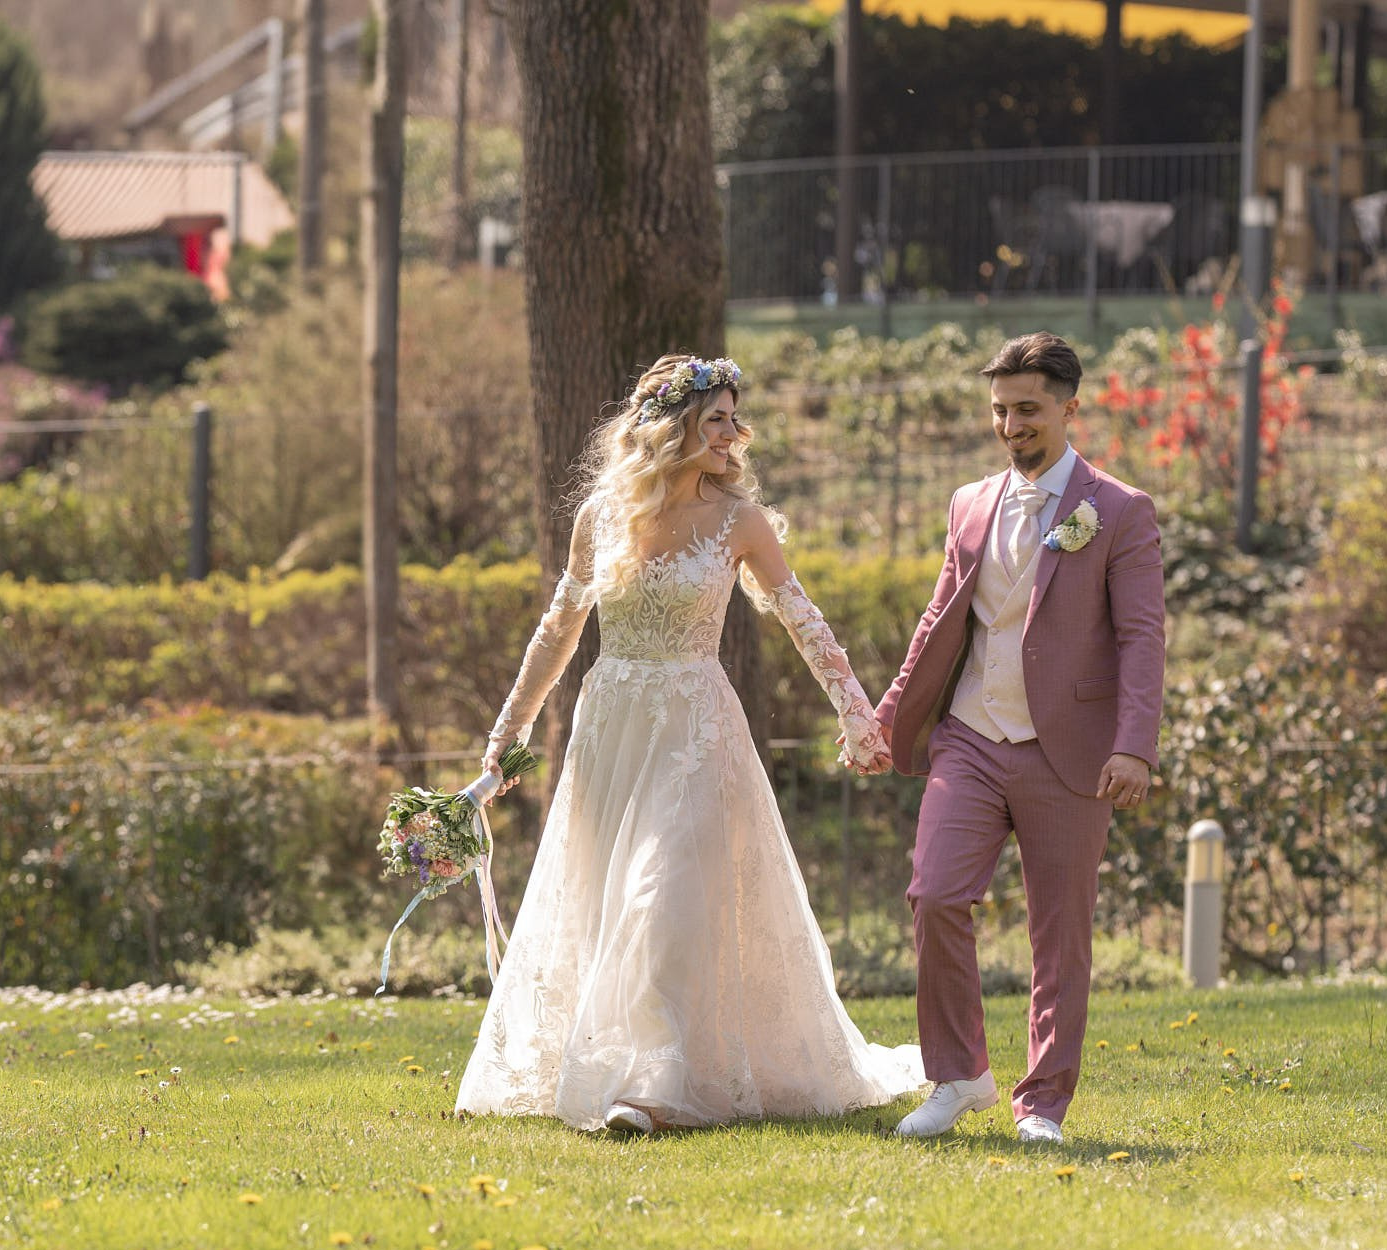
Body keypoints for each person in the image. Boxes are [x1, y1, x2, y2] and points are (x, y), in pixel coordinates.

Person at [455, 354, 925, 1133]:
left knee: (662, 889)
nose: (734, 434)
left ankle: (652, 1088)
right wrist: (509, 733)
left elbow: (802, 616)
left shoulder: (740, 521)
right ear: (671, 427)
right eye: (717, 420)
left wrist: (855, 711)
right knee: (610, 894)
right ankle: (620, 1063)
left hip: (696, 727)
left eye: (735, 420)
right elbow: (558, 630)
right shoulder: (599, 517)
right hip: (611, 727)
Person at [875, 332, 1166, 1141]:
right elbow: (940, 620)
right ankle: (960, 1075)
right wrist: (890, 716)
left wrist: (1134, 742)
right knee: (934, 893)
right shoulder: (969, 503)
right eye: (1000, 410)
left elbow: (1143, 637)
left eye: (1028, 409)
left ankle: (1041, 1104)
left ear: (1071, 409)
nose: (1011, 425)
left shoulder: (1120, 511)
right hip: (970, 734)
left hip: (1068, 748)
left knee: (1059, 935)